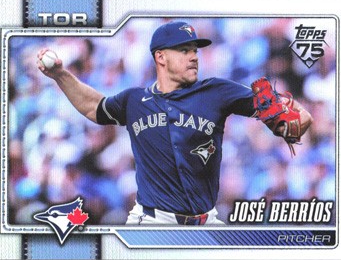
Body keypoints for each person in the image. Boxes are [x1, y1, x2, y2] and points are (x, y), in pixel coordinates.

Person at [37, 21, 312, 225]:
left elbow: (300, 121)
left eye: (195, 50)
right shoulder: (135, 100)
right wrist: (61, 75)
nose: (193, 56)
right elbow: (93, 107)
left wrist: (286, 113)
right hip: (152, 222)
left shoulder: (217, 91)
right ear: (161, 57)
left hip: (205, 221)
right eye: (184, 50)